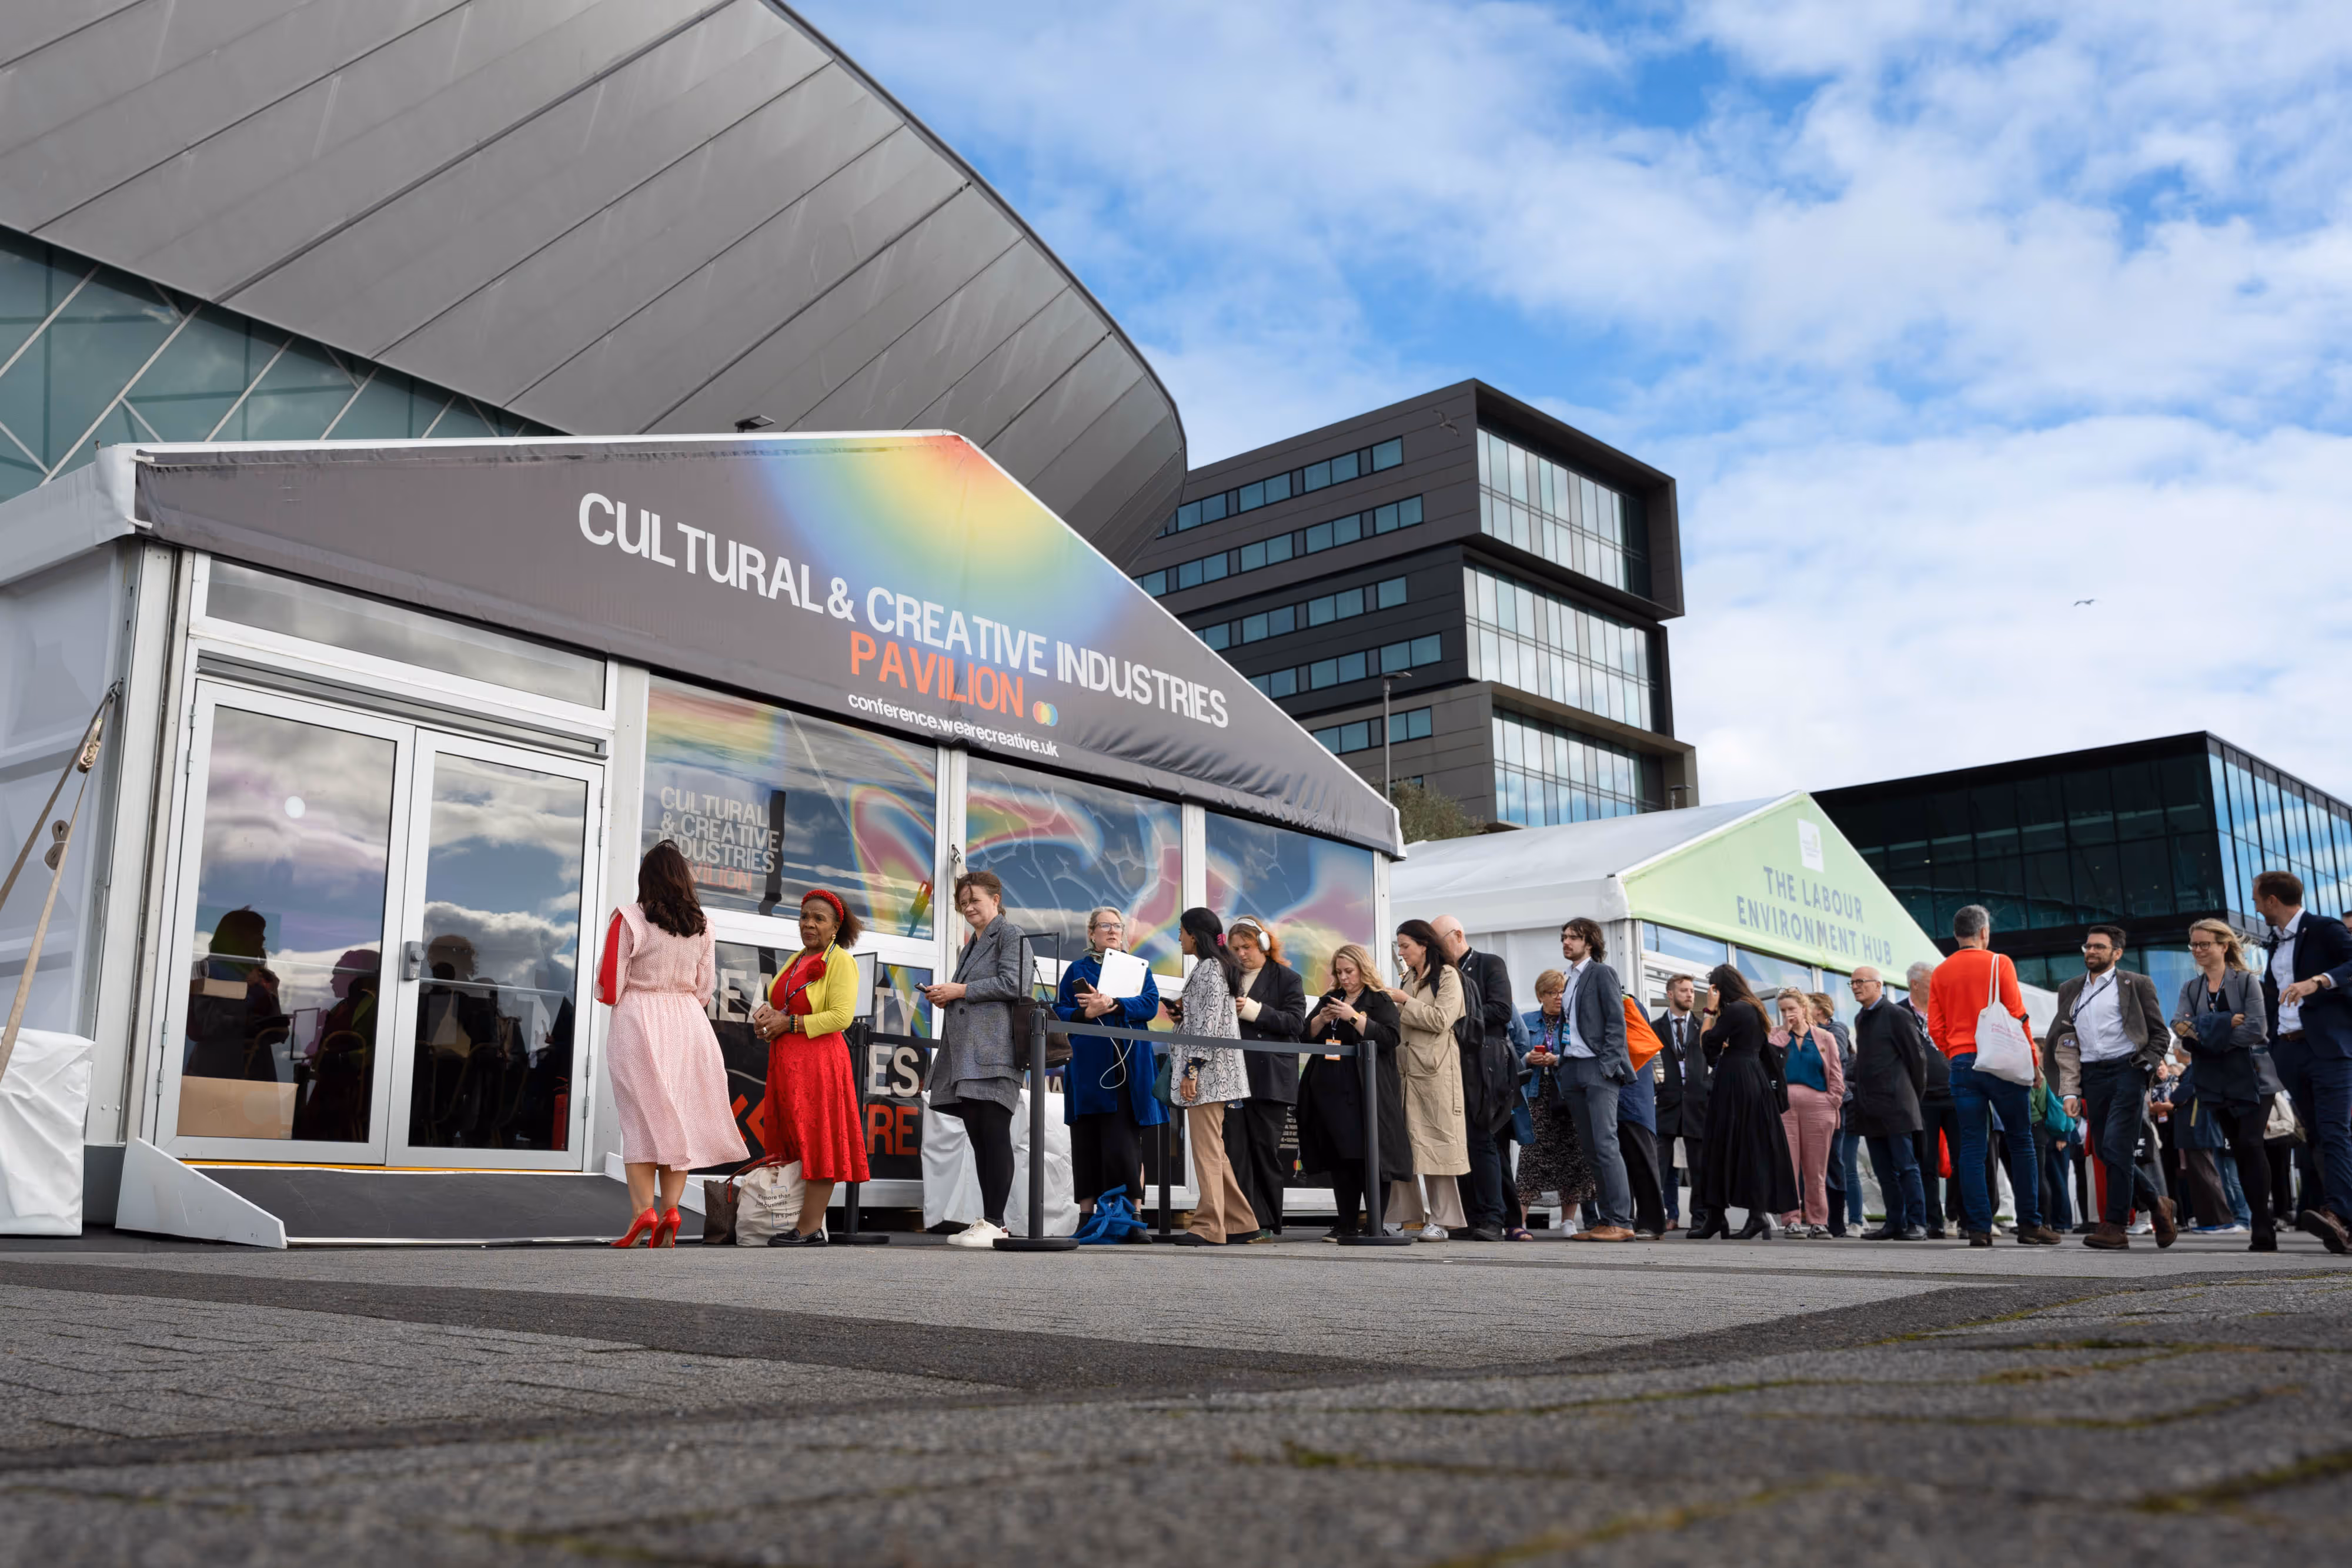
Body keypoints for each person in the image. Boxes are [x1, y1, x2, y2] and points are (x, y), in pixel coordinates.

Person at [597, 841, 747, 1248]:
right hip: (688, 1024)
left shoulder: (629, 919)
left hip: (638, 1020)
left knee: (641, 1122)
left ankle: (641, 1212)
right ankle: (672, 1211)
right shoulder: (703, 926)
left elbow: (610, 987)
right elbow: (704, 988)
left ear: (647, 878)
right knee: (679, 1120)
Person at [1926, 905, 2057, 1247]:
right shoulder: (2000, 963)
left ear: (1957, 935)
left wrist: (1954, 1051)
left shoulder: (1940, 973)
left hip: (1962, 1063)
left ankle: (1979, 1229)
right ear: (1984, 932)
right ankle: (2030, 1224)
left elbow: (1935, 1027)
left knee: (1970, 1147)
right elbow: (2017, 1015)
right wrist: (2032, 1062)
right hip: (2003, 1062)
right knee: (2021, 1141)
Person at [750, 888, 871, 1247]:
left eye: (819, 919)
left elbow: (840, 1017)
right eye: (805, 917)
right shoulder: (797, 958)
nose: (809, 924)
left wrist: (789, 1025)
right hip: (788, 1063)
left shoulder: (842, 961)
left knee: (818, 1141)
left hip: (820, 1063)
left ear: (835, 927)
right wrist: (769, 1017)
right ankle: (795, 1221)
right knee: (794, 1140)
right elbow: (785, 1005)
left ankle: (810, 1227)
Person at [2047, 924, 2179, 1251]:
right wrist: (2071, 1090)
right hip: (2092, 1075)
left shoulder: (2137, 985)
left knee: (2117, 1147)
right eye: (2088, 947)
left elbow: (2161, 1034)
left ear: (2116, 953)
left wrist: (2144, 1067)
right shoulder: (2070, 989)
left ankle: (2116, 1225)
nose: (2091, 952)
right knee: (2106, 1149)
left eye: (2099, 947)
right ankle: (2159, 1205)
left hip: (2127, 1071)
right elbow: (2066, 1042)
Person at [921, 870, 1028, 1250]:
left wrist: (960, 990)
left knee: (994, 1134)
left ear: (996, 900)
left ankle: (996, 1222)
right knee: (980, 1138)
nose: (968, 908)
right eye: (963, 903)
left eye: (975, 900)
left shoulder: (1011, 935)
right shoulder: (971, 944)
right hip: (968, 1054)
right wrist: (948, 994)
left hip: (995, 1052)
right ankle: (989, 1220)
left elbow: (1016, 985)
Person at [2252, 870, 2352, 1254]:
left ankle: (2338, 1213)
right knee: (2319, 1136)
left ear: (2273, 900)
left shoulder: (2324, 928)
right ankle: (2343, 1218)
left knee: (2334, 1131)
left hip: (2329, 1050)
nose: (2256, 906)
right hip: (2290, 1051)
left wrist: (2320, 980)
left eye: (2257, 899)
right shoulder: (2274, 942)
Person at [2169, 918, 2280, 1253]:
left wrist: (2205, 1035)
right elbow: (2179, 1027)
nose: (2199, 950)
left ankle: (2262, 1222)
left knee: (2250, 1143)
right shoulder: (2191, 987)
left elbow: (2256, 1031)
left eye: (2205, 944)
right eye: (2194, 945)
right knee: (2238, 1148)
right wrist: (2222, 1022)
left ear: (2224, 945)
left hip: (2254, 1077)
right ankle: (2257, 1220)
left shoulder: (2246, 981)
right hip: (2215, 1080)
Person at [1055, 907, 1162, 1243]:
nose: (1113, 931)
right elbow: (1059, 1011)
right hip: (1088, 1069)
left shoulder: (1136, 968)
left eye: (1118, 926)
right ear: (1092, 933)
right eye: (1105, 926)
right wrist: (1086, 1011)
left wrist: (1115, 1004)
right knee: (1086, 1142)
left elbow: (1150, 1003)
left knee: (1126, 1145)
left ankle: (1133, 1217)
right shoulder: (1078, 969)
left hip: (1127, 1069)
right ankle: (1087, 1217)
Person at [1297, 944, 1410, 1239]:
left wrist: (1353, 1016)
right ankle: (1345, 1222)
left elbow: (1390, 1037)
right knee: (1341, 1156)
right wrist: (1320, 1020)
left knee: (1373, 1154)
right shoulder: (1329, 999)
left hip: (1366, 1088)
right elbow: (1303, 1038)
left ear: (1363, 968)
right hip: (1331, 1089)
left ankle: (1375, 1222)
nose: (1344, 978)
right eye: (1339, 972)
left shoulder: (1379, 999)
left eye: (1349, 971)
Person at [1163, 907, 1257, 1246]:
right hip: (1218, 1073)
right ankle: (1241, 1222)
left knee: (1206, 1152)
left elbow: (1208, 1027)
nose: (1179, 937)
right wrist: (1181, 1016)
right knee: (1215, 1151)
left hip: (1206, 1076)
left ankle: (1208, 1227)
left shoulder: (1208, 970)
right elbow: (1208, 1020)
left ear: (1195, 935)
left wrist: (1191, 1070)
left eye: (1182, 931)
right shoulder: (1219, 968)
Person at [1550, 918, 1637, 1243]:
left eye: (1573, 937)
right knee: (1590, 1149)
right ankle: (1606, 1220)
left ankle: (1621, 1220)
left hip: (1597, 1069)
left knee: (1605, 1144)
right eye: (1564, 937)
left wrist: (1607, 1065)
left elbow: (1617, 1022)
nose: (1566, 942)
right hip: (1572, 1068)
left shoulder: (1601, 973)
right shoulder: (1569, 978)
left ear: (1590, 942)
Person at [1429, 916, 1516, 1242]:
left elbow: (1502, 1011)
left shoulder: (1489, 964)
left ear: (1457, 936)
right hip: (1451, 1064)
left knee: (1483, 1140)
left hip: (1484, 1064)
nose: (1436, 951)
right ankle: (1467, 1216)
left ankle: (1494, 1217)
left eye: (1439, 943)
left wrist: (1456, 1013)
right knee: (1458, 1141)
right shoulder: (1439, 974)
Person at [1694, 965, 1798, 1237]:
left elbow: (1708, 1045)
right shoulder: (1752, 1008)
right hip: (1751, 1081)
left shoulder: (1736, 1009)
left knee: (1724, 1145)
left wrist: (1709, 1012)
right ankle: (1750, 1216)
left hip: (1735, 1082)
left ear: (1720, 988)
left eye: (1713, 988)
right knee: (1746, 1148)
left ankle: (1724, 1217)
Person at [1384, 919, 1469, 1239]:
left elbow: (1440, 1020)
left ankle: (1443, 1221)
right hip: (1405, 1071)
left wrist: (1405, 1001)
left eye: (1405, 945)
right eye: (1400, 946)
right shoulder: (1408, 978)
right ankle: (1407, 1217)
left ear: (1424, 945)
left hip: (1435, 1074)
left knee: (1437, 1145)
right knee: (1404, 1146)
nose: (1402, 952)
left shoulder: (1448, 977)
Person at [1225, 916, 1307, 1241]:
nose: (1241, 954)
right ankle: (1244, 1222)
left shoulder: (1288, 978)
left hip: (1269, 1079)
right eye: (1235, 949)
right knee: (1236, 1151)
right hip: (1233, 1074)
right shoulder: (1227, 978)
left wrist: (1254, 1010)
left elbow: (1296, 1023)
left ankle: (1269, 1221)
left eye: (1246, 947)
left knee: (1264, 1150)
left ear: (1263, 944)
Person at [1847, 967, 1929, 1240]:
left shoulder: (1897, 1015)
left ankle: (1917, 1223)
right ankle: (1894, 1222)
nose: (1856, 986)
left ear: (1878, 985)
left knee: (1906, 1166)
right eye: (1852, 983)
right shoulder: (1861, 1018)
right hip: (1870, 1108)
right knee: (1883, 1170)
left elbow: (1917, 1060)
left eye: (1861, 982)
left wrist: (1912, 1099)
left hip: (1898, 1106)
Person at [1521, 969, 1598, 1235]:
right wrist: (1529, 1058)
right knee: (1531, 1158)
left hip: (1569, 1097)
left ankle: (1568, 1221)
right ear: (1540, 996)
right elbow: (1515, 1054)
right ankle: (1519, 1222)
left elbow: (1582, 1056)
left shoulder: (1575, 1022)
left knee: (1572, 1158)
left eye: (1562, 992)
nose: (1558, 997)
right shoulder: (1526, 1020)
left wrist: (1557, 1059)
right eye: (1551, 992)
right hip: (1537, 1096)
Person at [1771, 989, 1846, 1238]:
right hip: (1785, 1108)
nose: (1788, 1014)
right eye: (1783, 1010)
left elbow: (1836, 1074)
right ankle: (1791, 1220)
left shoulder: (1824, 1037)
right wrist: (1784, 1031)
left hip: (1819, 1106)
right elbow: (1772, 1064)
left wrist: (1831, 1102)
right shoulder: (1776, 1036)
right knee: (1787, 1166)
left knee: (1816, 1169)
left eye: (1791, 1009)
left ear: (1804, 1008)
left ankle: (1818, 1221)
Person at [1903, 962, 1956, 1238]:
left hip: (1954, 1093)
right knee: (1927, 1161)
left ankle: (1962, 1217)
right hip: (1921, 1098)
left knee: (1964, 1158)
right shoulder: (1900, 1013)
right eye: (1931, 982)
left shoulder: (1946, 1008)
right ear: (1915, 984)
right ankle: (1933, 1221)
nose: (1937, 987)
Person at [1653, 974, 1710, 1233]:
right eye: (1684, 990)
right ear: (1670, 994)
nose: (1690, 995)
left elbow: (1717, 1061)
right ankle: (1663, 1215)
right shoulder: (1654, 1028)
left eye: (1691, 991)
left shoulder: (1704, 1027)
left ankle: (1699, 1219)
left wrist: (1707, 1087)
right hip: (1665, 1102)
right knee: (1661, 1165)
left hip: (1697, 1105)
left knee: (1698, 1166)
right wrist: (1657, 1088)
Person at [1812, 993, 1865, 1237]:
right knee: (1834, 1163)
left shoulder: (1836, 1030)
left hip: (1843, 1107)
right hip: (1831, 1105)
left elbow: (1838, 1064)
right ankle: (1839, 1219)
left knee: (1844, 1164)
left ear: (1821, 1010)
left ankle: (1853, 1220)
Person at [1617, 1023, 1668, 1239]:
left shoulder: (1629, 1006)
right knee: (1621, 1166)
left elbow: (1645, 1050)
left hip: (1633, 1097)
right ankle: (1623, 1221)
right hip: (1622, 1096)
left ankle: (1652, 1223)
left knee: (1642, 1163)